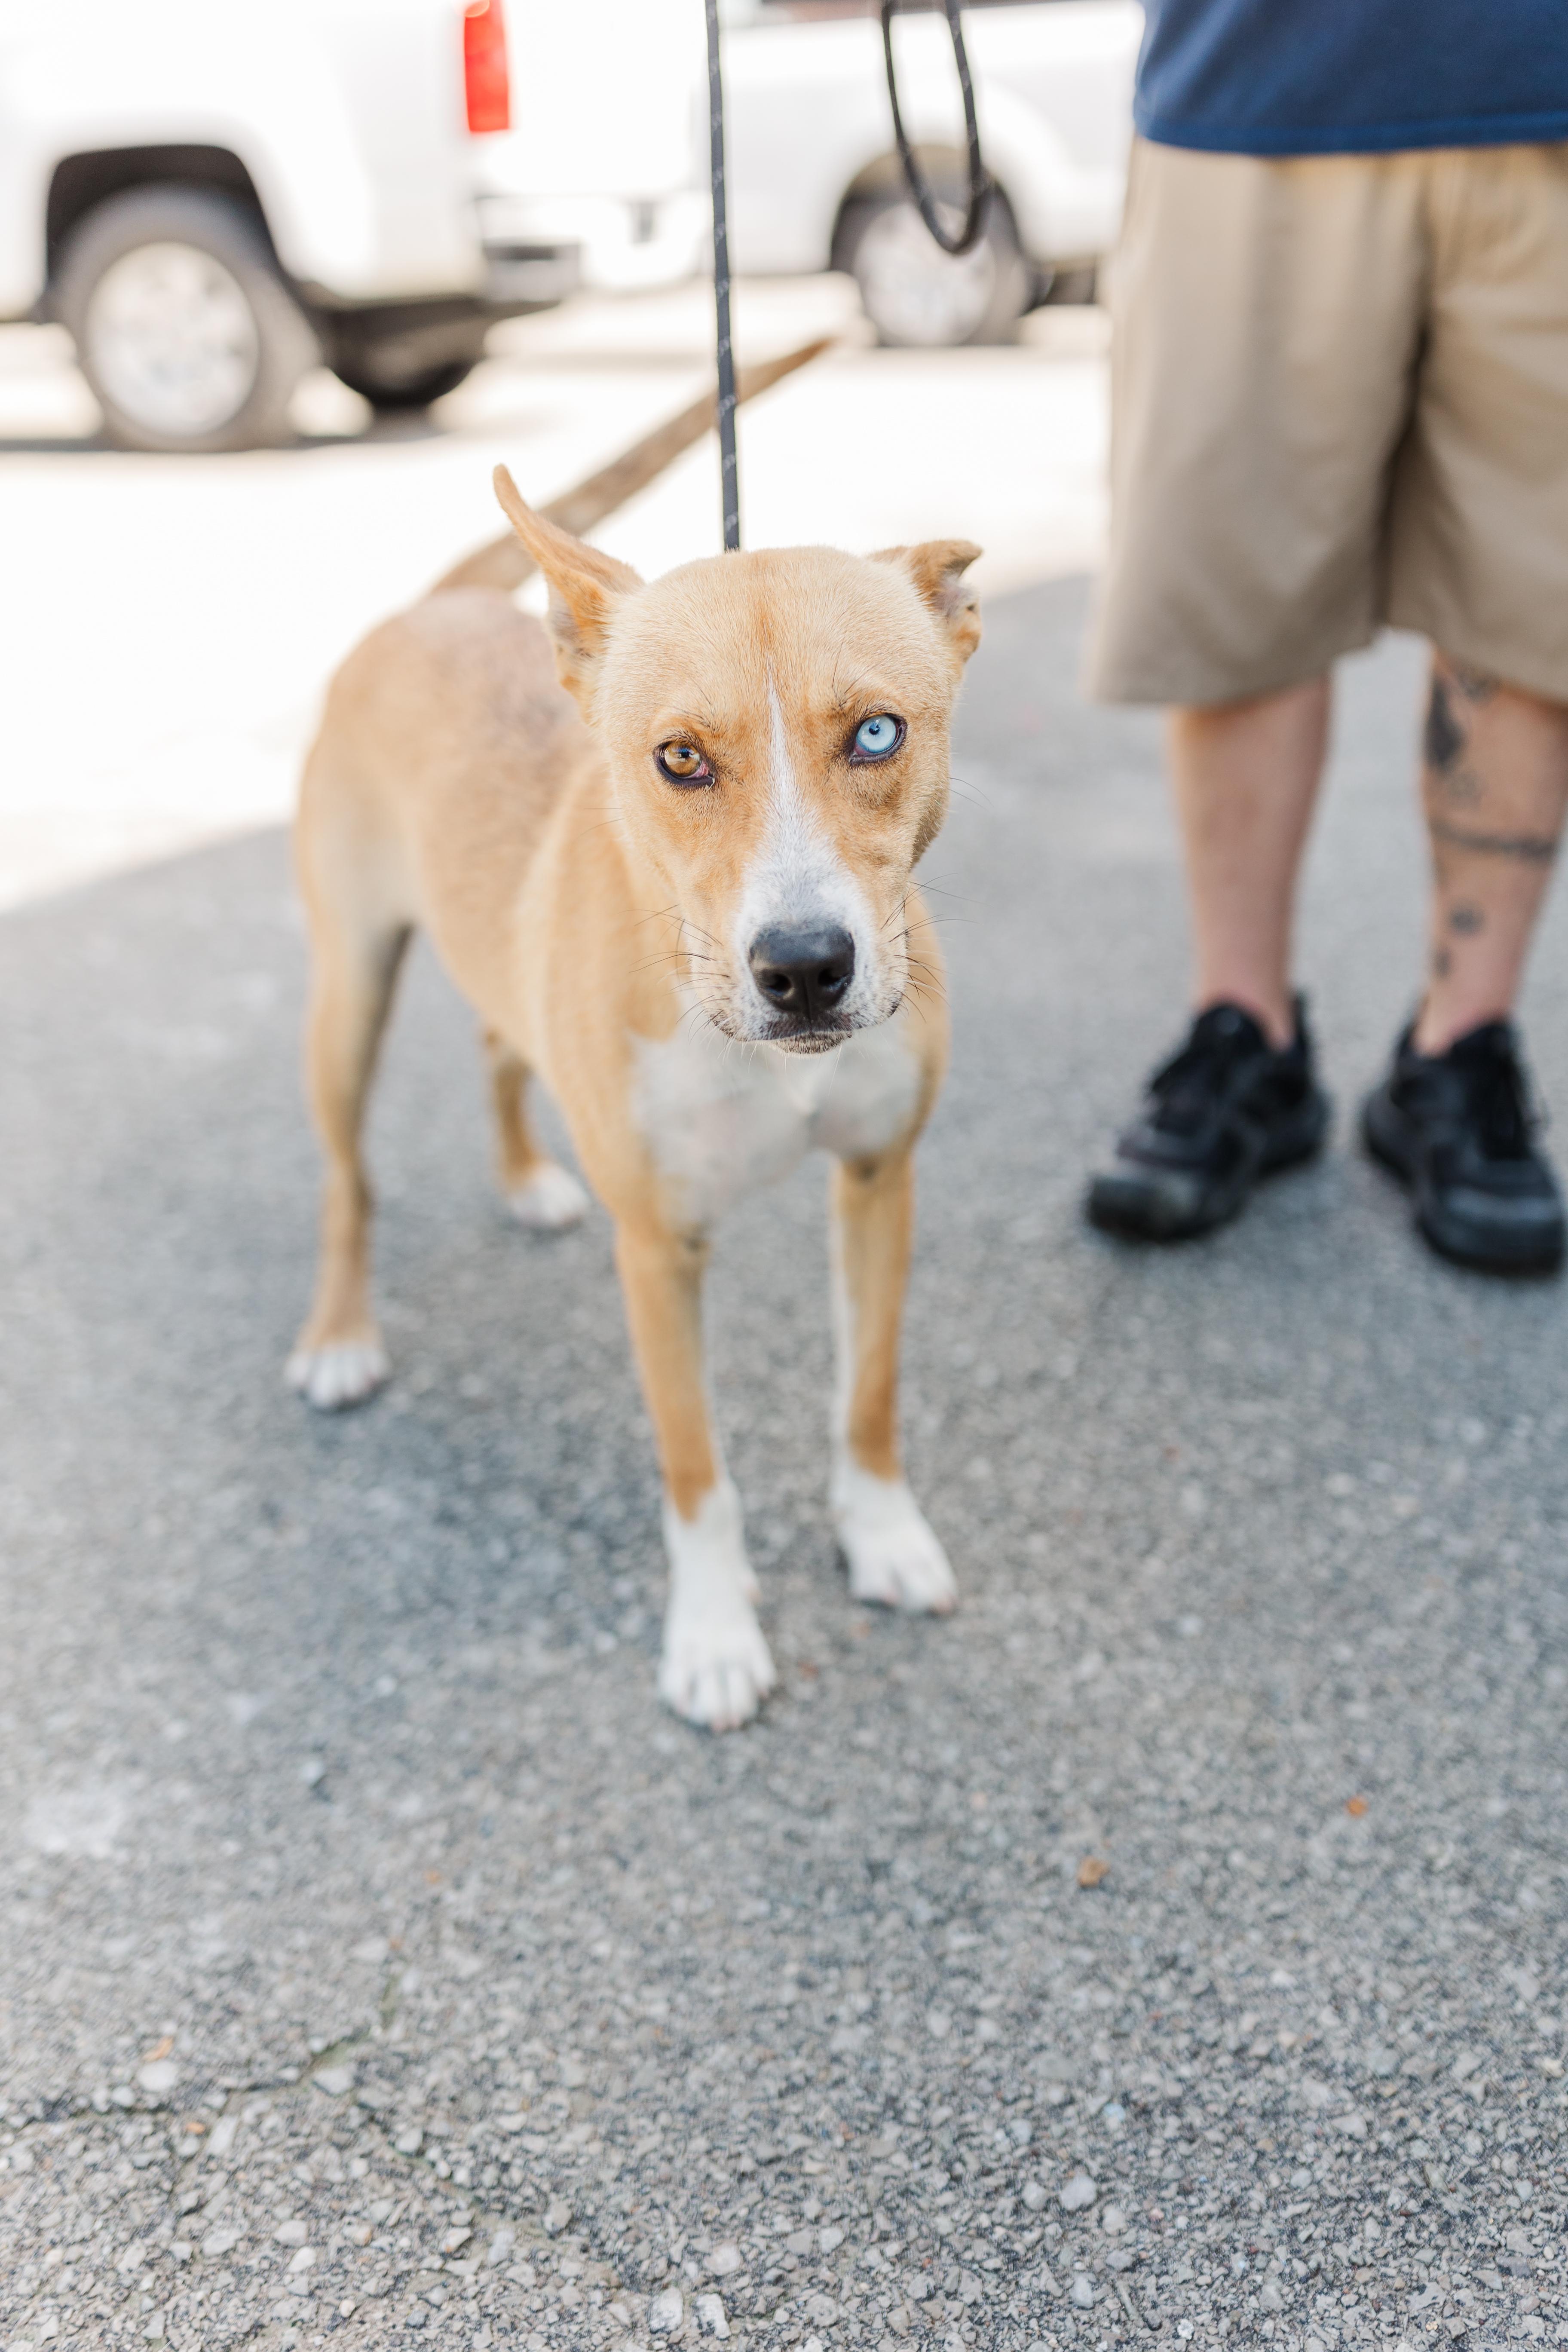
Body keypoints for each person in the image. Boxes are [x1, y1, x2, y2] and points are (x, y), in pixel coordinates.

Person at [1082, 0, 1568, 1274]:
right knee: (1236, 588)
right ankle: (1246, 1031)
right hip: (1255, 82)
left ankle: (1459, 1046)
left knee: (1537, 598)